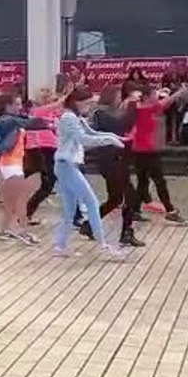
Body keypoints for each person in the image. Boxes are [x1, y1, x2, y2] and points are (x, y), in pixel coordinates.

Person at [52, 86, 128, 258]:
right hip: (67, 165)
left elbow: (92, 132)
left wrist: (115, 137)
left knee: (70, 210)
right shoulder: (69, 118)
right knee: (92, 202)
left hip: (68, 165)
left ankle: (60, 246)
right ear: (77, 102)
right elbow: (83, 138)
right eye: (87, 103)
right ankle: (103, 245)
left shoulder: (76, 117)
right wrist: (110, 140)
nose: (89, 107)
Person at [83, 85, 144, 247]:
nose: (119, 99)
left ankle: (89, 225)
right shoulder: (100, 112)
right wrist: (131, 105)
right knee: (130, 196)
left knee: (116, 198)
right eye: (117, 96)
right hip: (111, 160)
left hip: (117, 159)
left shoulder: (109, 112)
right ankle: (126, 232)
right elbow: (120, 126)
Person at [0, 93, 51, 245]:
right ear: (8, 105)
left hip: (15, 162)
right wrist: (46, 123)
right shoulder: (7, 120)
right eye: (17, 104)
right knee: (20, 200)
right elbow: (27, 122)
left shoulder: (12, 120)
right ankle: (23, 231)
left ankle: (5, 230)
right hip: (10, 163)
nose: (20, 107)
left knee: (12, 201)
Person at [132, 85, 188, 225]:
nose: (156, 97)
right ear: (146, 97)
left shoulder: (141, 107)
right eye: (153, 94)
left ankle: (134, 211)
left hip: (140, 150)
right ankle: (170, 211)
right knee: (159, 181)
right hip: (147, 151)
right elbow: (165, 102)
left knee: (143, 182)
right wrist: (179, 93)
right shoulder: (145, 109)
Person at [24, 88, 62, 224]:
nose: (50, 98)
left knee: (48, 184)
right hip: (40, 149)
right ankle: (24, 212)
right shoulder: (37, 111)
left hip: (52, 150)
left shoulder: (54, 114)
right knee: (46, 182)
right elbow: (58, 104)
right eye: (46, 96)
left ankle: (26, 212)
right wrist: (71, 93)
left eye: (50, 95)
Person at [161, 60, 188, 146]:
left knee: (179, 120)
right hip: (169, 101)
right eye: (172, 66)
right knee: (169, 120)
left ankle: (177, 138)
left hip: (180, 102)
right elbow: (164, 88)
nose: (174, 68)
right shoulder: (166, 77)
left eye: (176, 66)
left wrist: (178, 88)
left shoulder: (183, 76)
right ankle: (169, 139)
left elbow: (185, 87)